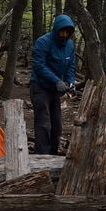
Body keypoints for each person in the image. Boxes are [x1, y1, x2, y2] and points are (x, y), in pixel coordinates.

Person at [29, 14, 76, 155]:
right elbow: (39, 65)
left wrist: (70, 82)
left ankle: (53, 155)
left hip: (56, 90)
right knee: (43, 124)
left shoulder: (69, 45)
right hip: (40, 87)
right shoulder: (43, 42)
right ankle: (41, 157)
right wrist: (56, 80)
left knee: (57, 125)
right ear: (56, 29)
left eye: (67, 32)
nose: (64, 34)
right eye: (62, 31)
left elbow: (70, 66)